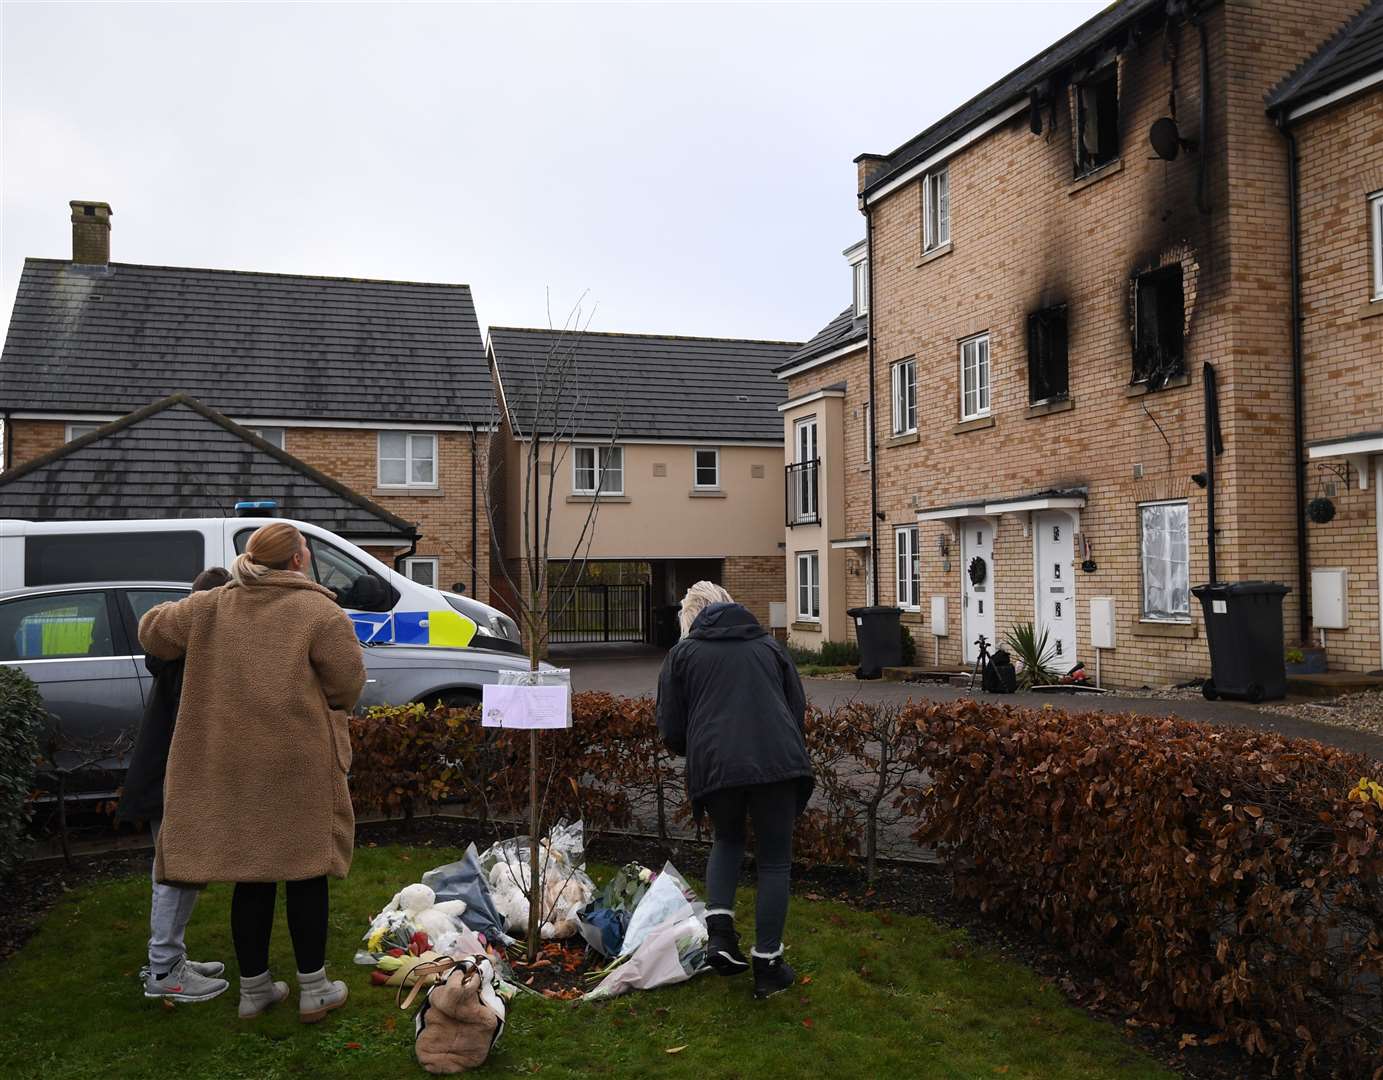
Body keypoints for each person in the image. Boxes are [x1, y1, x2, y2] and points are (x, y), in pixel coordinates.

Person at [139, 523, 367, 1023]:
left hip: (228, 763)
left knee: (253, 875)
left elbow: (151, 629)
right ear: (296, 561)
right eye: (305, 549)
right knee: (307, 871)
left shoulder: (212, 605)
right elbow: (348, 684)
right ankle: (315, 989)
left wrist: (206, 602)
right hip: (298, 763)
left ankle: (254, 991)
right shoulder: (318, 610)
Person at [655, 581, 813, 999]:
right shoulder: (769, 647)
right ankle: (768, 965)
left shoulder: (682, 655)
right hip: (777, 763)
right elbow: (796, 708)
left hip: (717, 766)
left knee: (726, 841)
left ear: (690, 617)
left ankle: (721, 937)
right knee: (775, 862)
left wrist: (701, 749)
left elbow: (671, 726)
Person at [118, 566, 233, 1004]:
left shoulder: (176, 648)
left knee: (181, 870)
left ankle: (172, 957)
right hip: (172, 777)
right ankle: (165, 969)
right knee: (174, 875)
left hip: (165, 774)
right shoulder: (191, 659)